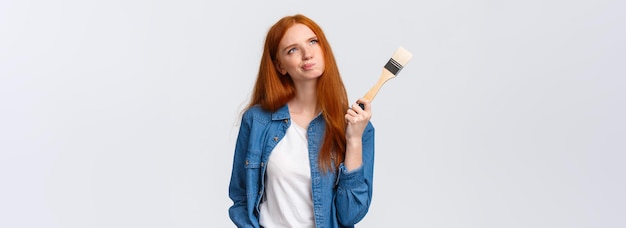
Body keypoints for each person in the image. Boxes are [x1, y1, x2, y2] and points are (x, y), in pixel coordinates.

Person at [228, 14, 375, 228]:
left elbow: (350, 215)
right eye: (292, 50)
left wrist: (353, 140)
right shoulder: (257, 121)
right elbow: (242, 198)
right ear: (281, 66)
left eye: (313, 42)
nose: (307, 54)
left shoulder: (358, 127)